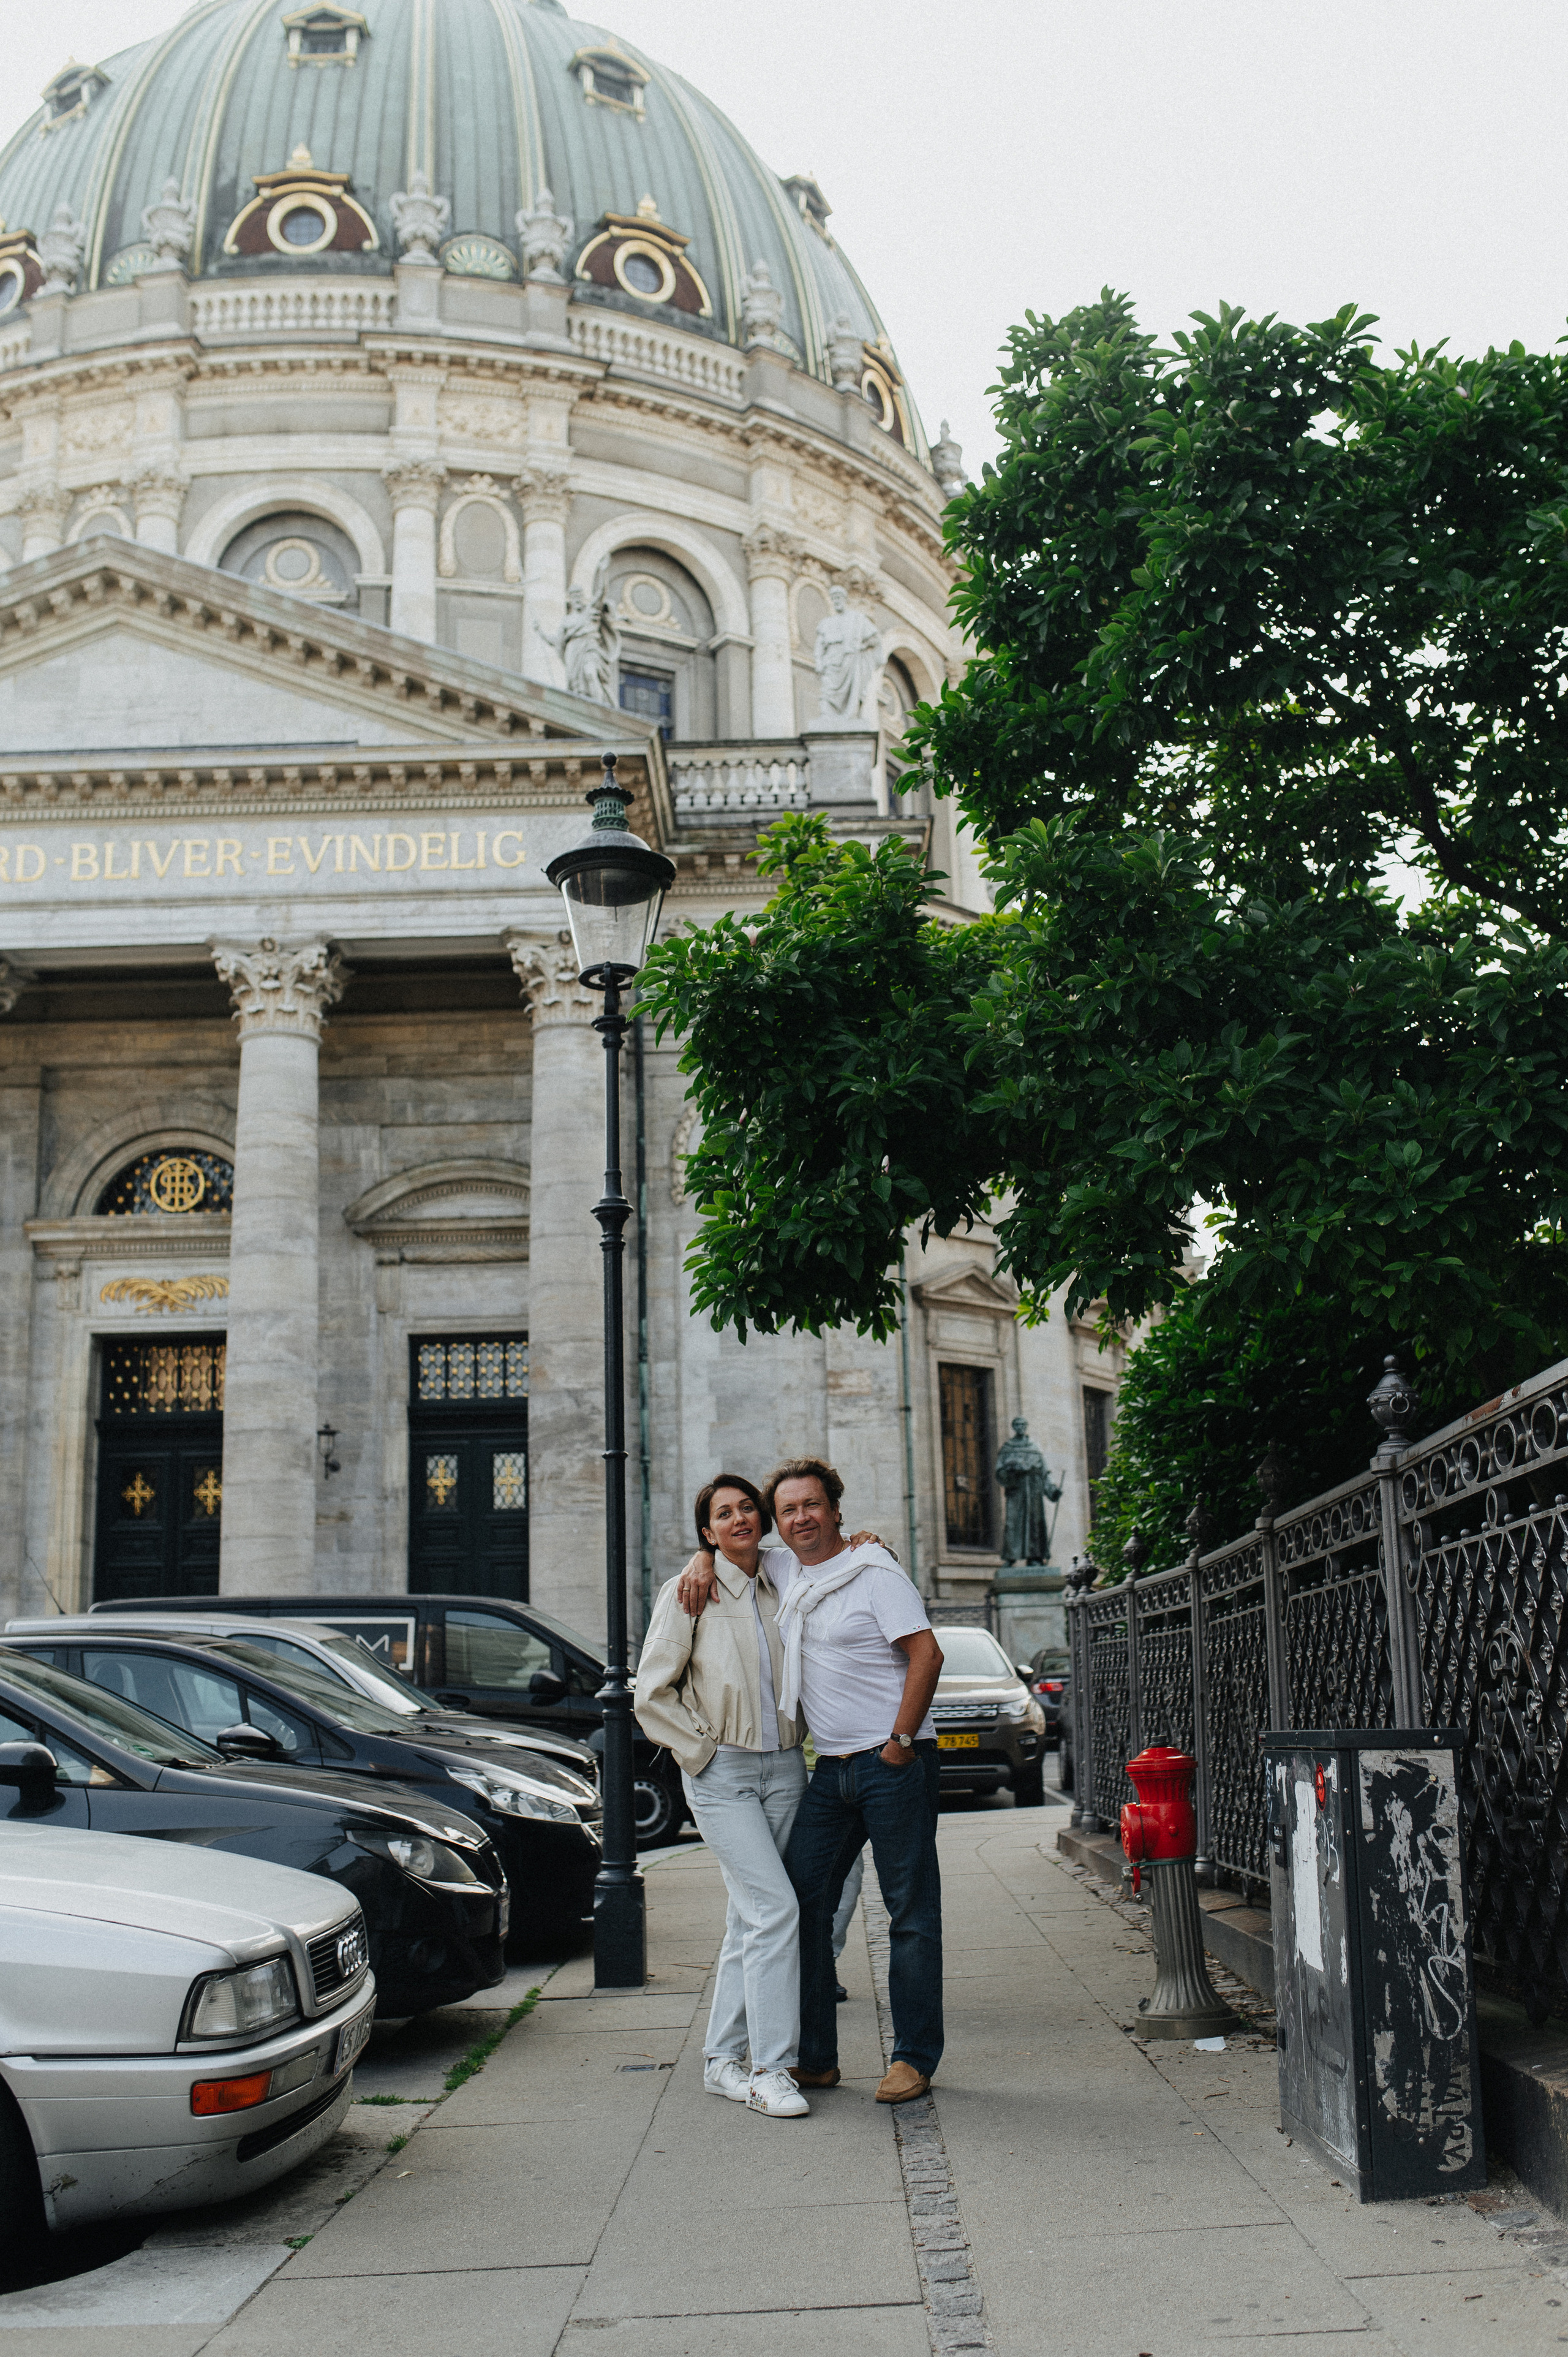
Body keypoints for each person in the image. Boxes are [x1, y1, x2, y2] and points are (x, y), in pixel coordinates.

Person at [679, 1456, 944, 2105]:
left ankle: (912, 2057)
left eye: (812, 1505)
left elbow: (926, 1653)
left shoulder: (874, 1571)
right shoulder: (785, 1566)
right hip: (831, 1769)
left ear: (835, 1510)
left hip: (892, 1762)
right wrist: (698, 1560)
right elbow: (731, 1545)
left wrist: (900, 1744)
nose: (801, 1518)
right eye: (789, 1509)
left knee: (908, 1910)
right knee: (800, 1900)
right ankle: (815, 2058)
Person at [633, 1473, 811, 2119]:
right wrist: (701, 1751)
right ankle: (770, 2068)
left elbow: (836, 1554)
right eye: (722, 1514)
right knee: (775, 1910)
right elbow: (650, 1691)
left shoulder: (789, 1579)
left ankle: (719, 2060)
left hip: (786, 1770)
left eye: (746, 1509)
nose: (738, 1519)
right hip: (724, 1774)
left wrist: (866, 1539)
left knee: (749, 1917)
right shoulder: (689, 1592)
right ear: (706, 1531)